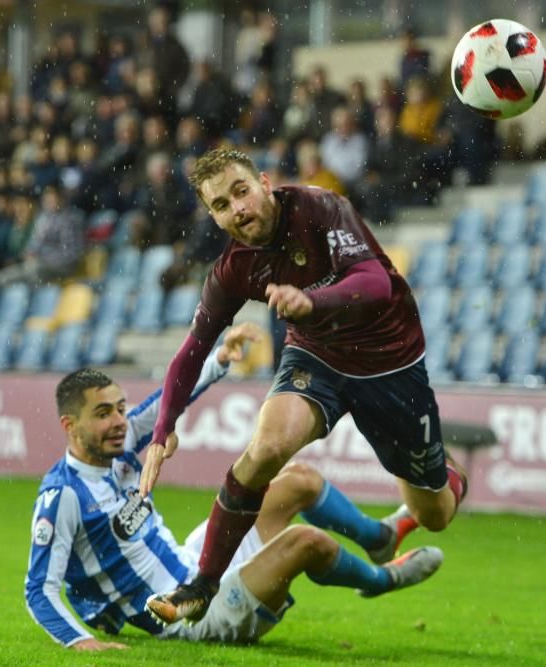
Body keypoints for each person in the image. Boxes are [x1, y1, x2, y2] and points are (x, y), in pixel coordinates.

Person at [135, 148, 468, 625]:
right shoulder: (233, 268)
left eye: (241, 191)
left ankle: (437, 483)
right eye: (221, 205)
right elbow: (191, 350)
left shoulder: (319, 208)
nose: (238, 209)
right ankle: (202, 585)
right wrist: (164, 427)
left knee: (436, 512)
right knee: (267, 446)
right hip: (316, 356)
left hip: (388, 361)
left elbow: (375, 281)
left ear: (264, 183)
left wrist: (312, 300)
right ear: (212, 214)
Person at [25, 323, 437, 651]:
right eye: (103, 414)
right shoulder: (64, 497)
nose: (118, 421)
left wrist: (220, 356)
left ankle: (379, 537)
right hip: (186, 617)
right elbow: (39, 590)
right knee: (305, 542)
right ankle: (383, 579)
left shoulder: (125, 438)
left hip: (194, 564)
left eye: (119, 408)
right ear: (70, 426)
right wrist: (82, 641)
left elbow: (173, 396)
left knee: (300, 480)